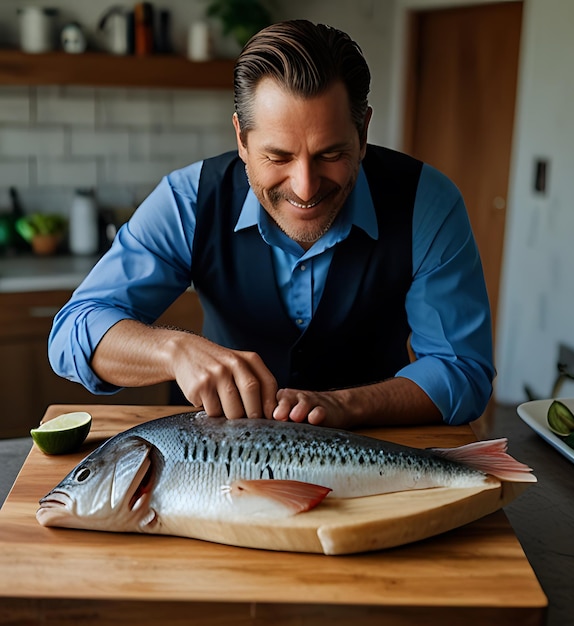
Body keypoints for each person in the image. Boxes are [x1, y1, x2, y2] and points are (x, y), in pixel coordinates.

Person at [49, 19, 494, 430]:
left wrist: (346, 406)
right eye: (278, 157)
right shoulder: (189, 199)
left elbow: (462, 370)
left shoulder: (427, 203)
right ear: (241, 138)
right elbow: (73, 331)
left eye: (331, 154)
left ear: (363, 134)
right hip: (222, 458)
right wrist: (174, 351)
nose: (304, 187)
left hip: (376, 448)